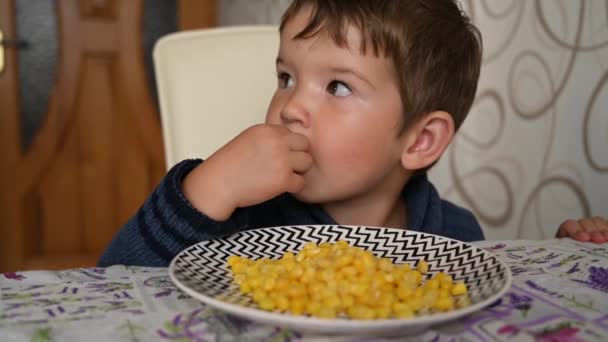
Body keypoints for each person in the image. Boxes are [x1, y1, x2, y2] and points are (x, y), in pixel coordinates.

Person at [99, 0, 606, 267]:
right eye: (286, 77)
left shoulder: (453, 239)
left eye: (338, 86)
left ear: (420, 140)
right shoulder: (242, 222)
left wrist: (557, 259)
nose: (291, 105)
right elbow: (111, 285)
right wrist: (206, 190)